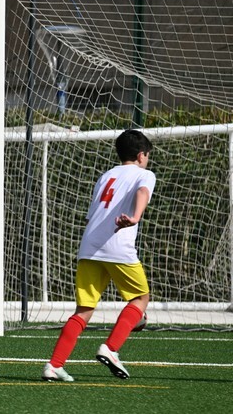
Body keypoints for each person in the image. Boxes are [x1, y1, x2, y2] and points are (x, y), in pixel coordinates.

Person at [42, 129, 155, 381]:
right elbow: (142, 193)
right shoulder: (145, 174)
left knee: (83, 310)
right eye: (148, 156)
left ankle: (54, 365)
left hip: (89, 247)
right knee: (140, 298)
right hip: (117, 245)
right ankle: (111, 348)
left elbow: (92, 215)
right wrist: (135, 217)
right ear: (141, 155)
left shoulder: (106, 176)